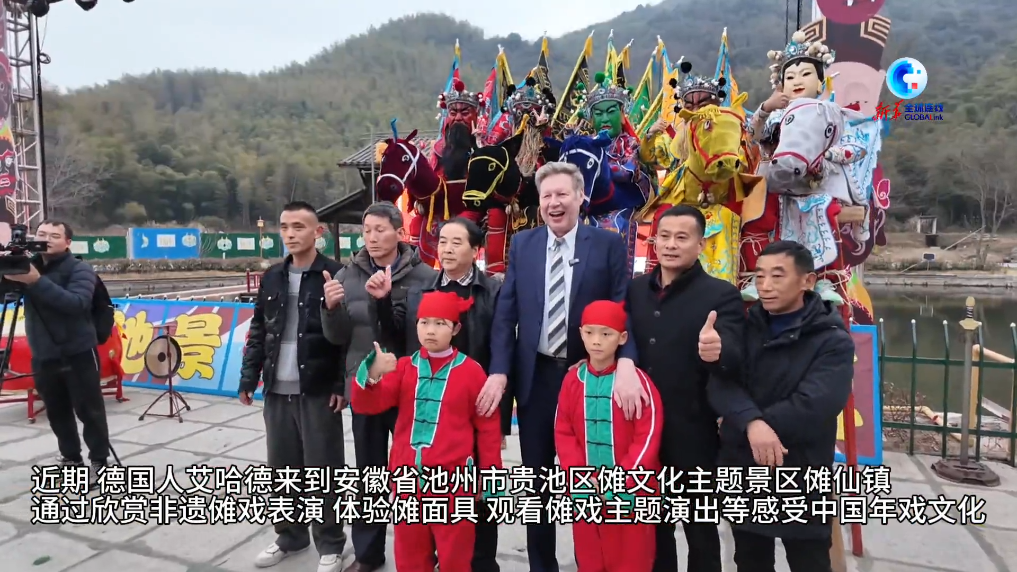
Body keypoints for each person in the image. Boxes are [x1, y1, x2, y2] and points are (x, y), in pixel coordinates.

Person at [488, 161, 649, 572]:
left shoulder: (608, 244)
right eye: (547, 196)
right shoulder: (523, 244)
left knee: (591, 482)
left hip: (588, 379)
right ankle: (542, 565)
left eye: (562, 194)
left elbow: (622, 308)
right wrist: (500, 370)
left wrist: (627, 363)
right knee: (537, 484)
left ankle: (593, 562)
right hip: (537, 377)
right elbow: (506, 314)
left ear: (580, 197)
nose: (554, 203)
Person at [707, 240, 855, 572]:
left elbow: (816, 403)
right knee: (749, 560)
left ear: (807, 281)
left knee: (809, 561)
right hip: (744, 470)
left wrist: (748, 424)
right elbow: (721, 383)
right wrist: (752, 423)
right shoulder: (745, 329)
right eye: (759, 276)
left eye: (777, 276)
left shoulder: (831, 339)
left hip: (801, 471)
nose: (765, 285)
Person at [372, 216, 509, 572]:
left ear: (475, 250)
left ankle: (480, 564)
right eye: (442, 241)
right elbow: (400, 338)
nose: (446, 249)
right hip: (431, 407)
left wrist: (501, 420)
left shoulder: (493, 291)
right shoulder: (420, 289)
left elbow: (503, 348)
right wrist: (383, 302)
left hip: (478, 402)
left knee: (478, 495)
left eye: (456, 242)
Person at [624, 205, 746, 572]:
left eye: (682, 237)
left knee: (700, 530)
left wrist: (718, 350)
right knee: (653, 529)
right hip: (643, 432)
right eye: (664, 236)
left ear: (700, 245)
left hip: (695, 432)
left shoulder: (721, 295)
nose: (671, 245)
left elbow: (736, 353)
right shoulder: (635, 290)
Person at [320, 200, 436, 572]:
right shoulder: (346, 275)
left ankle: (425, 552)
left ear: (399, 233)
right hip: (366, 387)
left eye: (380, 230)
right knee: (369, 473)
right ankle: (368, 554)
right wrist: (330, 309)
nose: (371, 237)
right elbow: (338, 339)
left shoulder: (426, 277)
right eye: (366, 230)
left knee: (416, 475)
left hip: (412, 392)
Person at [353, 290, 503, 572]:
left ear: (455, 329)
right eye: (424, 322)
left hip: (454, 485)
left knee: (455, 558)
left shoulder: (472, 372)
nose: (430, 330)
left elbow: (488, 429)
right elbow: (368, 404)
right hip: (407, 482)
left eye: (440, 323)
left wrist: (490, 480)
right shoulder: (404, 368)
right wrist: (372, 374)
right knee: (410, 557)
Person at [237, 201, 349, 572]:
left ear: (318, 232)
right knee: (282, 471)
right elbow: (259, 330)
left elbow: (345, 338)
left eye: (299, 227)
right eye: (285, 227)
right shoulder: (272, 276)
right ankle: (290, 537)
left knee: (324, 472)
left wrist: (340, 384)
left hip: (317, 389)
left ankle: (331, 544)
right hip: (277, 389)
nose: (290, 234)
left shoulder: (336, 274)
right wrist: (249, 377)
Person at [554, 300, 663, 572]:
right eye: (589, 332)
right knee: (589, 558)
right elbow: (563, 431)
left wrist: (619, 481)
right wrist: (579, 477)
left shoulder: (636, 383)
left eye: (606, 334)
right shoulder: (573, 380)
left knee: (632, 560)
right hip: (585, 490)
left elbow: (647, 437)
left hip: (631, 491)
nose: (596, 341)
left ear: (622, 338)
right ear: (580, 334)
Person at [5, 220, 109, 476]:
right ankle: (71, 458)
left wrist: (36, 281)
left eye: (54, 235)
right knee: (57, 412)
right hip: (43, 354)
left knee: (90, 412)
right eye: (41, 234)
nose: (46, 239)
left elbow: (77, 304)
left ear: (67, 242)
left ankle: (99, 462)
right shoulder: (27, 266)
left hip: (79, 353)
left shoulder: (80, 269)